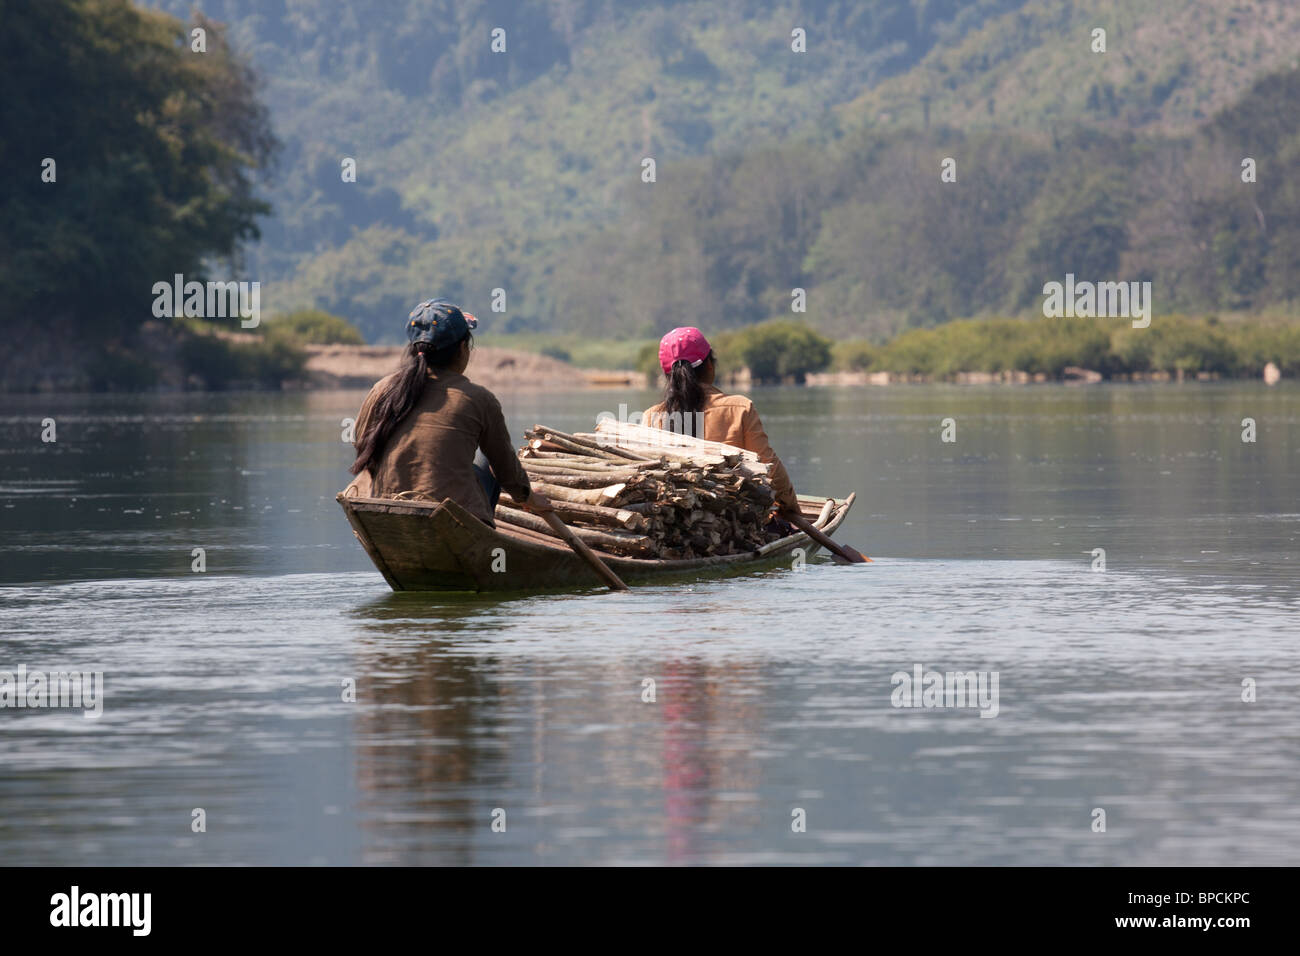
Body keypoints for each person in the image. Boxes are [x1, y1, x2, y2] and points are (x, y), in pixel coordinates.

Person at [348, 298, 551, 525]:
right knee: (486, 460)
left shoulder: (383, 388)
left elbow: (361, 442)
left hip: (381, 507)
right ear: (463, 349)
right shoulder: (479, 399)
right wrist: (529, 497)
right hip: (451, 516)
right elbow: (506, 471)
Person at [644, 326, 800, 518]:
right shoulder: (740, 408)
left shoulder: (651, 417)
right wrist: (791, 507)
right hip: (734, 519)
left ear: (668, 374)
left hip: (674, 518)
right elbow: (770, 469)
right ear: (710, 364)